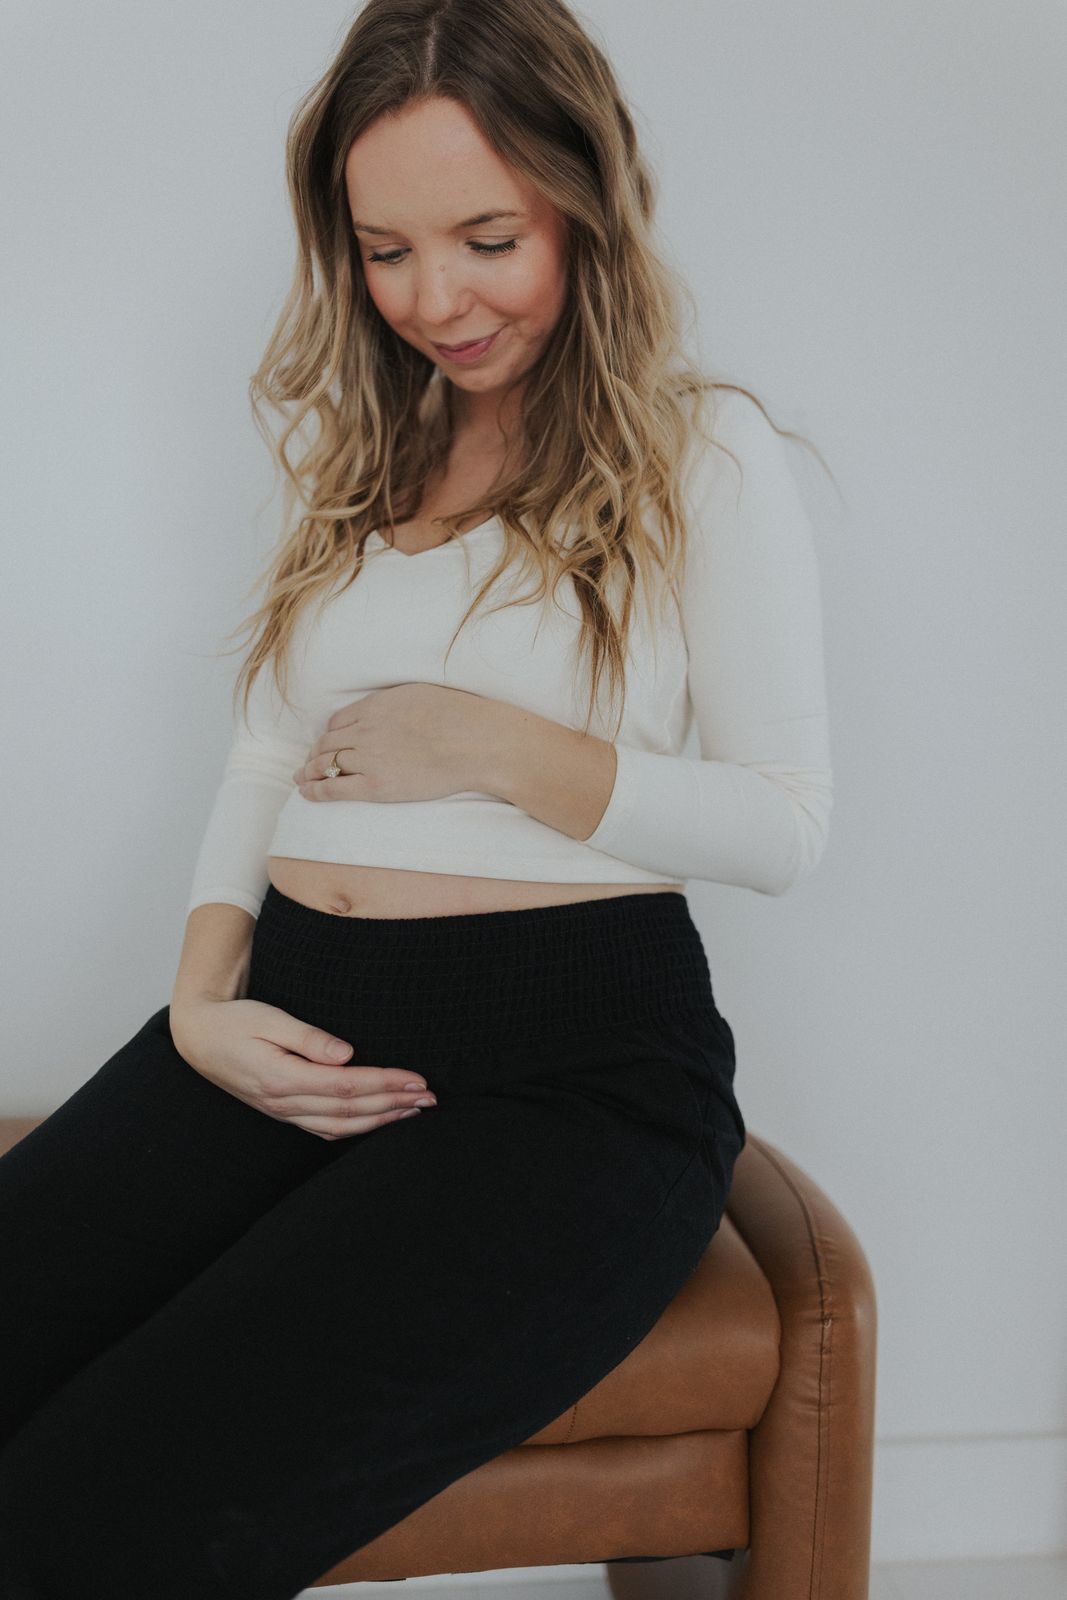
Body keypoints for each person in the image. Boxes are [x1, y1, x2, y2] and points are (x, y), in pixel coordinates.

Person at [0, 2, 833, 1596]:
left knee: (97, 1519)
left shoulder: (698, 453)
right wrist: (196, 1000)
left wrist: (496, 746)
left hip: (569, 1079)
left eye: (486, 236)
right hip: (290, 1027)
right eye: (385, 251)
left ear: (589, 198)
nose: (433, 299)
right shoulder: (361, 451)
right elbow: (261, 752)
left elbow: (787, 824)